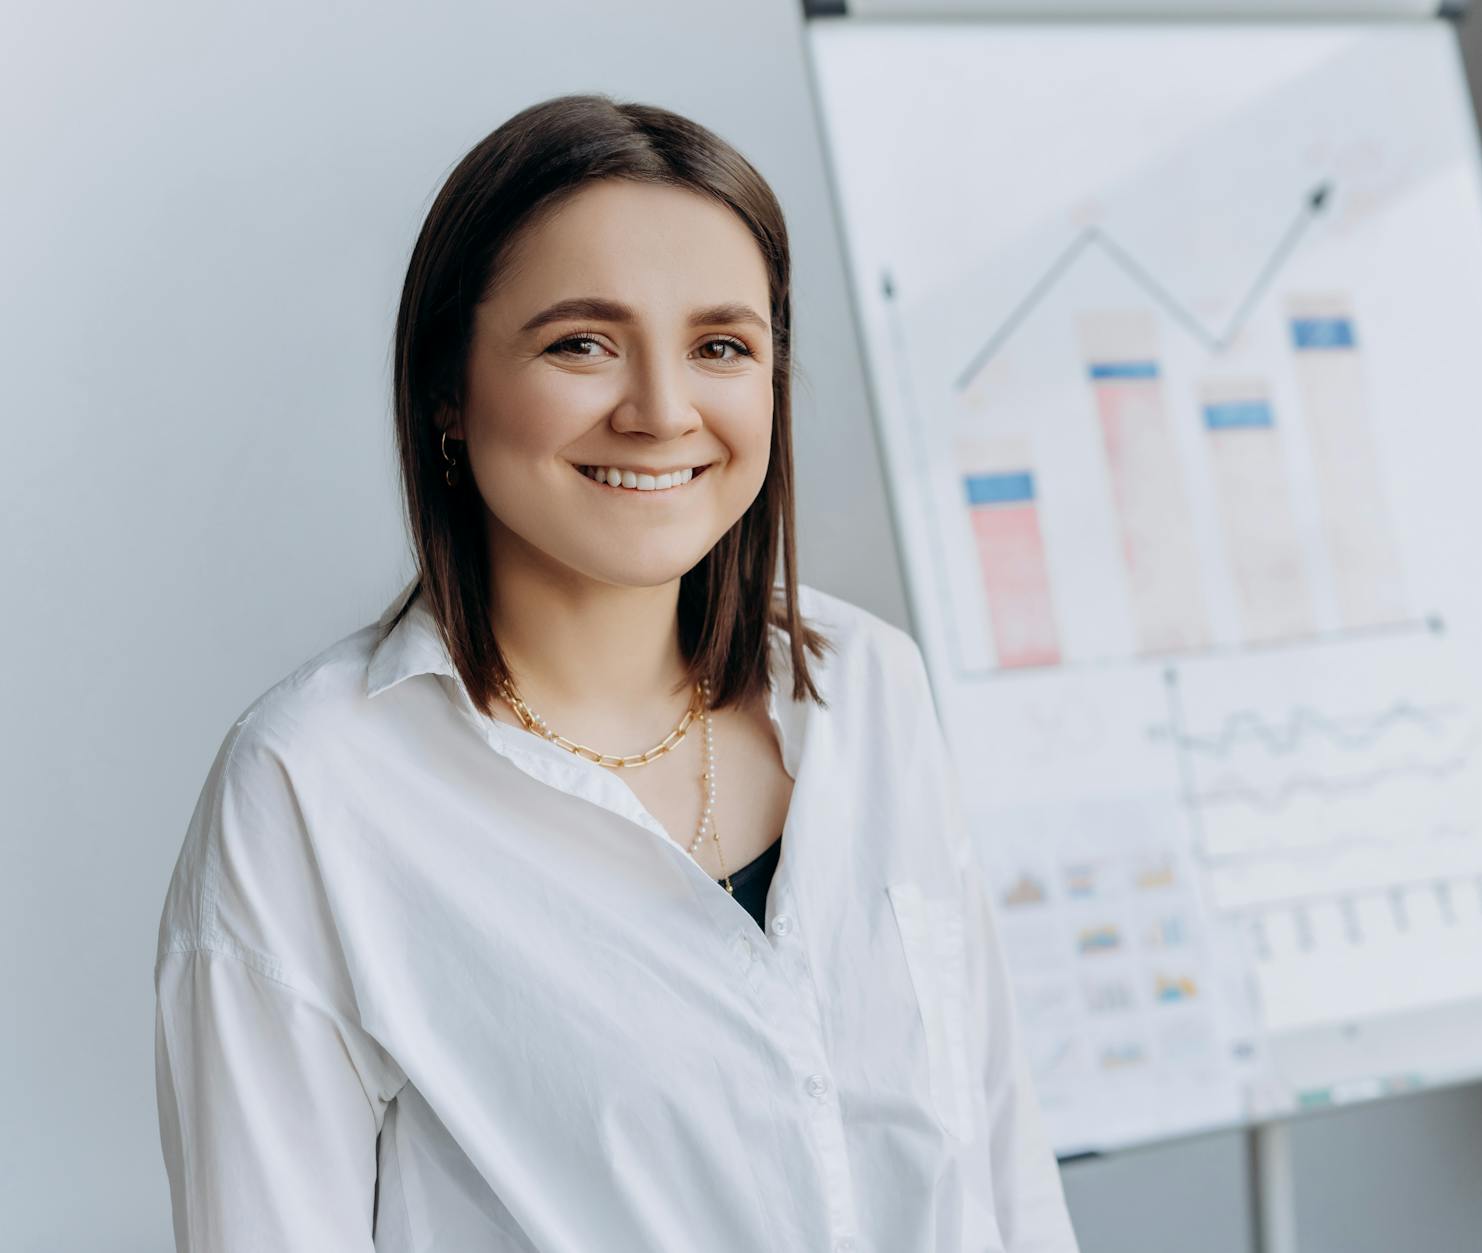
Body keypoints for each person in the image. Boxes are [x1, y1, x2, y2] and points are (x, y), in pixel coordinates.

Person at [152, 94, 1080, 1253]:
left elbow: (999, 1162)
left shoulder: (870, 690)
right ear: (449, 388)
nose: (659, 411)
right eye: (581, 343)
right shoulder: (309, 789)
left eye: (720, 346)